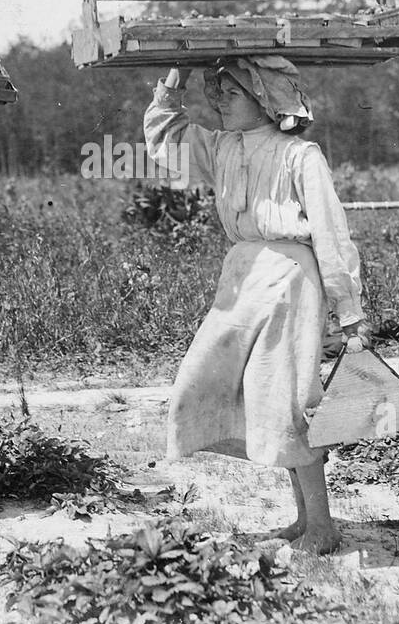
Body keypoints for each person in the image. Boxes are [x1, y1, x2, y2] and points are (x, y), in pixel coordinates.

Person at [144, 56, 367, 555]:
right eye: (216, 90)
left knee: (286, 397)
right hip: (242, 277)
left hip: (291, 278)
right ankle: (303, 516)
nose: (219, 100)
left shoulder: (300, 155)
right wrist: (174, 82)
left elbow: (332, 234)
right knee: (214, 386)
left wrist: (348, 312)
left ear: (264, 98)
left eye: (231, 92)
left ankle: (322, 526)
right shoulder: (221, 146)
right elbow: (166, 138)